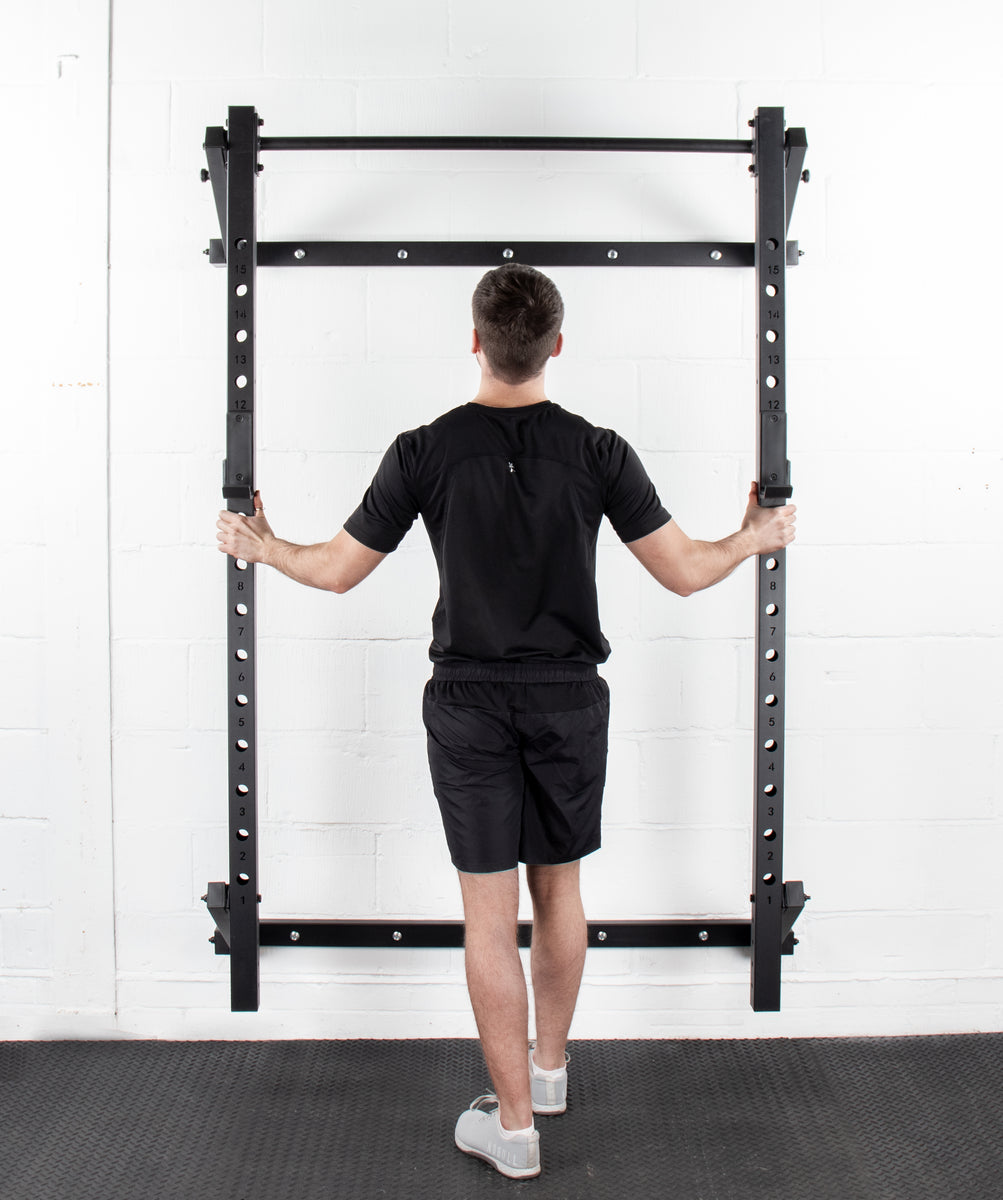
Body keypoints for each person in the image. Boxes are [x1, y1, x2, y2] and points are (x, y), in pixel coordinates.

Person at [216, 263, 796, 1181]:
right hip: (568, 698)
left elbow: (333, 571)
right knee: (558, 891)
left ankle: (517, 1127)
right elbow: (686, 571)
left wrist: (262, 546)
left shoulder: (426, 450)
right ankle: (547, 1071)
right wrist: (752, 537)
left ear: (475, 341)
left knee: (488, 917)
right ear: (555, 345)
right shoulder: (597, 450)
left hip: (471, 703)